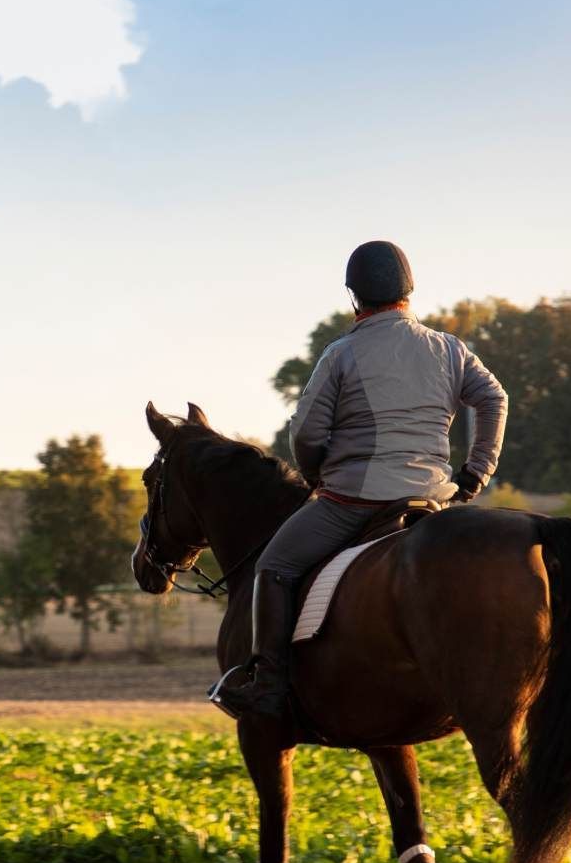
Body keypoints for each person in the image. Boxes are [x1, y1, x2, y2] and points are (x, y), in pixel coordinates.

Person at [212, 240, 509, 720]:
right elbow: (494, 398)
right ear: (409, 291)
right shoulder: (450, 348)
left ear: (354, 297)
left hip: (354, 502)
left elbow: (306, 431)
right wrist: (477, 471)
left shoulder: (341, 353)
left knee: (274, 566)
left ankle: (268, 685)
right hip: (431, 500)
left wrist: (315, 476)